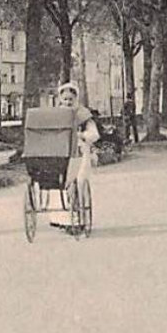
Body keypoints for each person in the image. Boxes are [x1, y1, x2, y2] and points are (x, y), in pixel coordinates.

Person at [50, 81, 101, 230]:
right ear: (60, 99)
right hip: (62, 152)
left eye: (70, 99)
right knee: (59, 182)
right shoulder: (56, 115)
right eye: (65, 99)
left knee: (78, 181)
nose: (67, 102)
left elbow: (94, 134)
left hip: (80, 152)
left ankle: (79, 218)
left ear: (76, 99)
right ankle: (61, 219)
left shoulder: (82, 114)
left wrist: (82, 134)